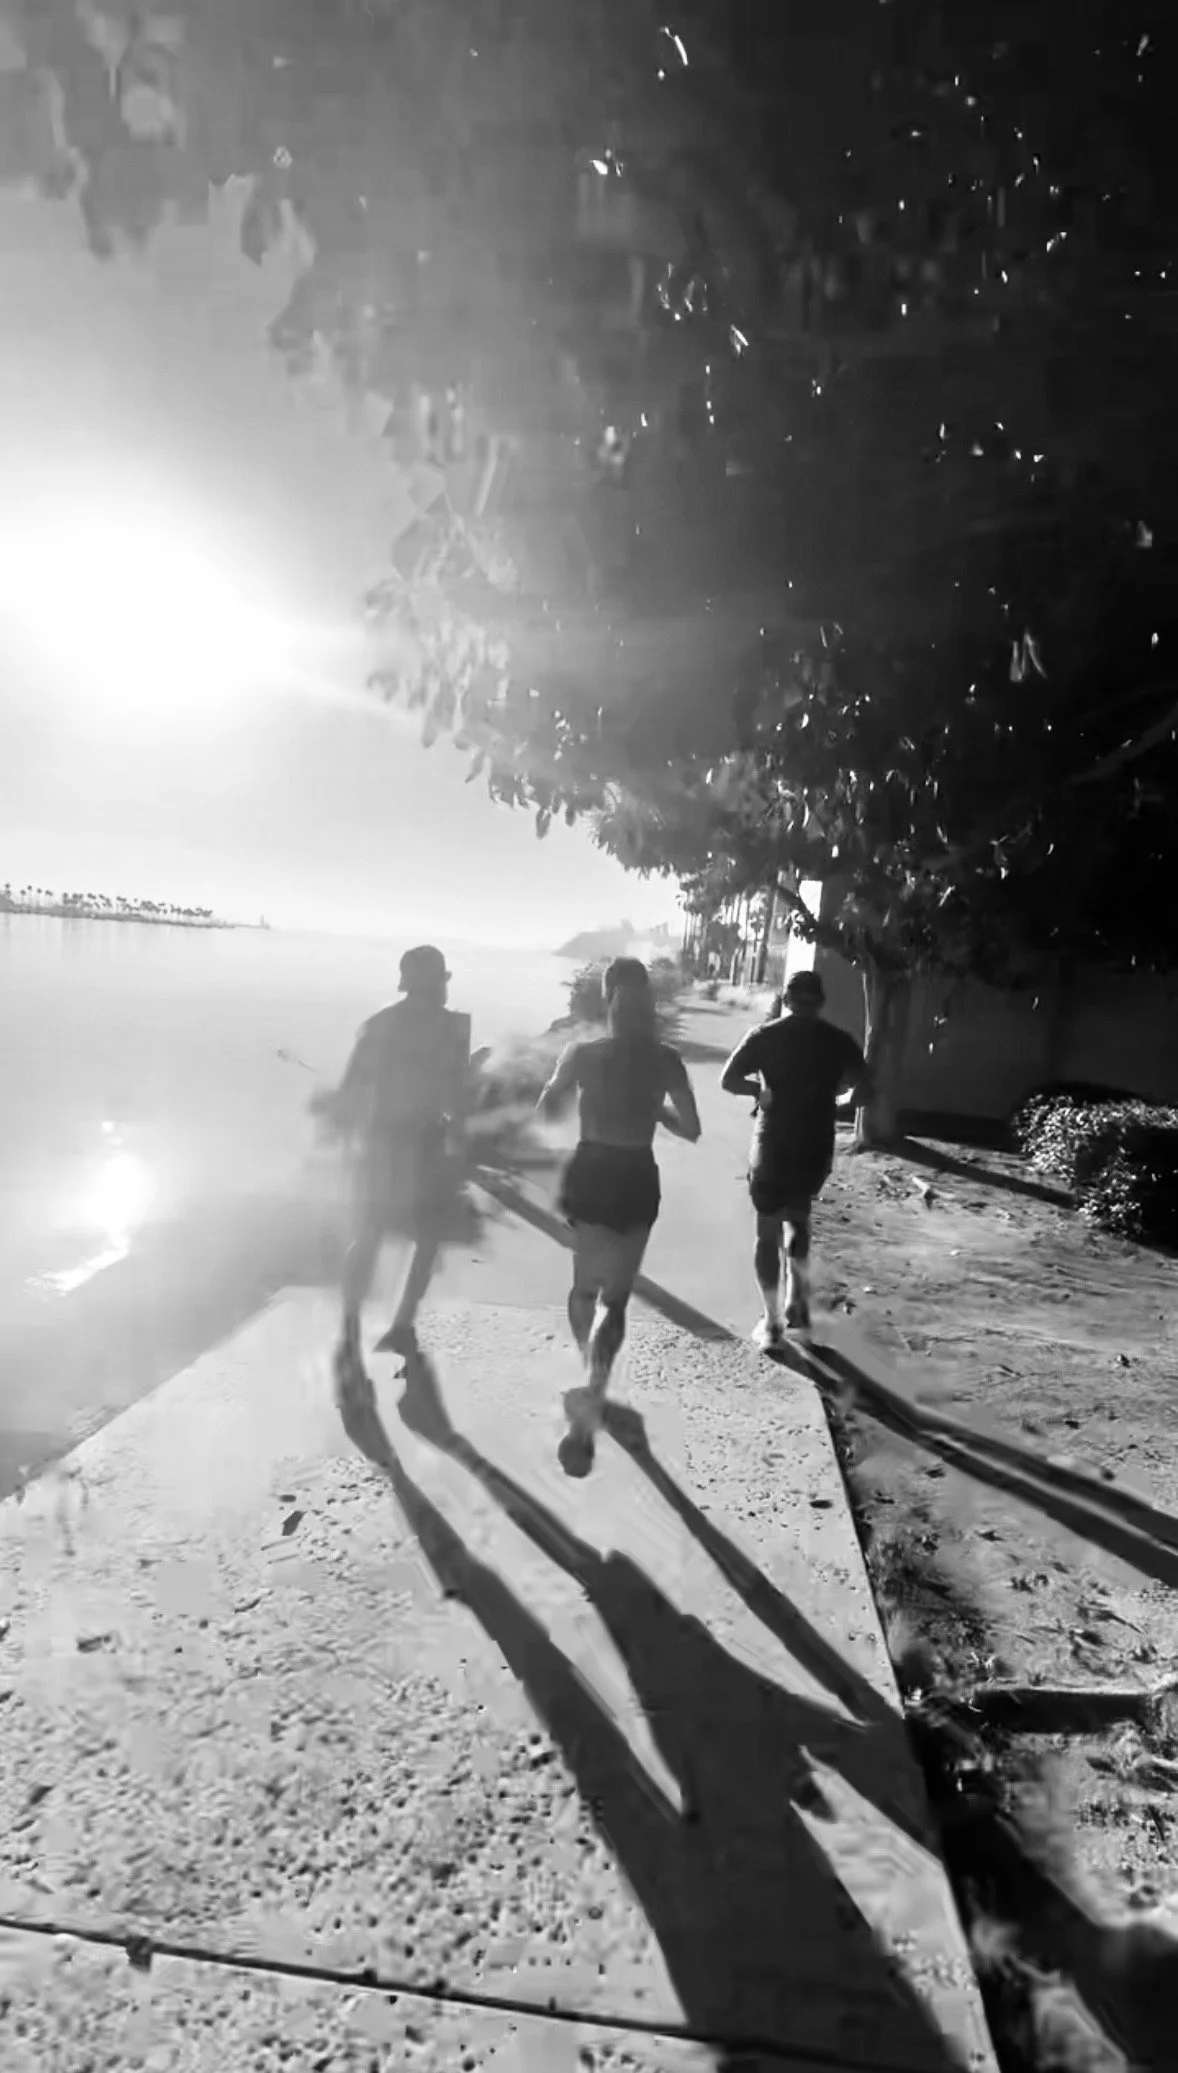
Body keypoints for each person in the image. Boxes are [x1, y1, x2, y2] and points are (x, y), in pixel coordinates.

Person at [537, 957, 701, 1477]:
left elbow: (546, 1112)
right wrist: (653, 1109)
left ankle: (589, 1369)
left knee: (584, 1290)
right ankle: (597, 1384)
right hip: (635, 1173)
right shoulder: (666, 1060)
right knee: (616, 1297)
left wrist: (564, 1083)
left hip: (591, 1171)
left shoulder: (584, 1054)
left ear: (608, 998)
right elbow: (691, 1129)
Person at [314, 944, 471, 1382]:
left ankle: (349, 1329)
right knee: (428, 1237)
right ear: (437, 981)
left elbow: (350, 1089)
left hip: (381, 1144)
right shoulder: (453, 1028)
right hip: (425, 1144)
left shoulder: (379, 1025)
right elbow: (457, 1097)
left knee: (368, 1236)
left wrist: (340, 1129)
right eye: (443, 978)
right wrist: (460, 1144)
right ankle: (402, 1323)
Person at [720, 968, 872, 1346]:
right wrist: (839, 1100)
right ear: (820, 1002)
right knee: (799, 1220)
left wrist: (759, 1092)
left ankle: (772, 1323)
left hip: (772, 1145)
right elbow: (866, 1090)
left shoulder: (764, 1035)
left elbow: (728, 1079)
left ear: (786, 1000)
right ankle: (795, 1304)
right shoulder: (837, 1040)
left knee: (766, 1231)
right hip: (814, 1145)